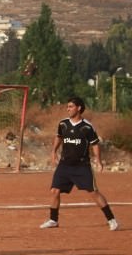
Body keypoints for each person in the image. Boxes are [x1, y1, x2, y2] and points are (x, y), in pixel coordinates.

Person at [40, 97, 119, 231]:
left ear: (79, 108)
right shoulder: (63, 124)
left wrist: (98, 161)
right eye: (67, 106)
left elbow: (95, 144)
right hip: (64, 165)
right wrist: (53, 151)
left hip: (81, 166)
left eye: (71, 106)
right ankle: (53, 220)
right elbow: (59, 137)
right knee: (55, 191)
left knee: (93, 192)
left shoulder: (87, 127)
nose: (68, 109)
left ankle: (112, 220)